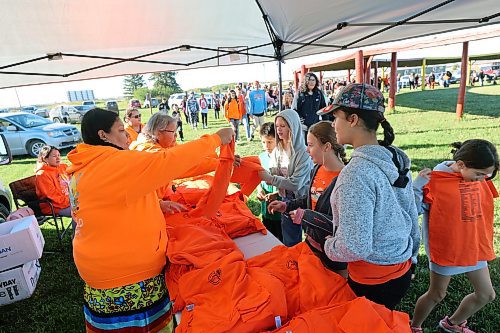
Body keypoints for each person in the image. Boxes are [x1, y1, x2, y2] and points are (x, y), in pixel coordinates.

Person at [66, 108, 234, 332]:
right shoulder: (116, 164)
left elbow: (104, 205)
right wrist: (215, 139)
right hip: (126, 277)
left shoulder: (85, 167)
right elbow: (171, 161)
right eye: (119, 130)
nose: (127, 135)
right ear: (102, 135)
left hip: (99, 271)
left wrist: (156, 203)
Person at [319, 83, 420, 310]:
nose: (333, 125)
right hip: (401, 267)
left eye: (336, 118)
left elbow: (355, 247)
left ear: (353, 119)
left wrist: (330, 245)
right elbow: (410, 213)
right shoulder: (395, 157)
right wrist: (412, 258)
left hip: (372, 280)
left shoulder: (355, 175)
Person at [410, 139, 498, 333]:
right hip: (447, 246)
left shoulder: (474, 177)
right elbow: (411, 210)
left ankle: (452, 323)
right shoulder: (435, 180)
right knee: (437, 294)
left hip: (473, 245)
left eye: (487, 175)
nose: (482, 180)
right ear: (460, 165)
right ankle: (414, 327)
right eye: (479, 174)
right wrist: (416, 187)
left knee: (486, 294)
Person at [268, 121, 348, 277]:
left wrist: (307, 216)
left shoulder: (345, 180)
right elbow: (311, 198)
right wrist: (286, 205)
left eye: (311, 145)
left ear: (327, 147)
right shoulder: (317, 169)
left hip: (334, 256)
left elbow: (343, 225)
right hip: (313, 244)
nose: (307, 149)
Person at [258, 109, 313, 247]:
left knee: (311, 239)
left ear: (293, 126)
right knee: (290, 240)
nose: (279, 130)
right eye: (277, 126)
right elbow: (275, 174)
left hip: (305, 201)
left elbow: (295, 183)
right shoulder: (277, 150)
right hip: (286, 199)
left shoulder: (303, 153)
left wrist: (270, 179)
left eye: (283, 126)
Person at [35, 145, 75, 234]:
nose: (58, 158)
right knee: (80, 210)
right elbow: (53, 196)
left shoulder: (63, 167)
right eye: (54, 156)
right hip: (53, 206)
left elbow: (74, 181)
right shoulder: (42, 175)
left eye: (59, 155)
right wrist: (72, 201)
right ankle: (77, 238)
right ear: (45, 159)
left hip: (70, 201)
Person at [256, 122, 282, 242]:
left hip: (281, 207)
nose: (266, 145)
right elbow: (258, 179)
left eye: (270, 142)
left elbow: (289, 182)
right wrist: (259, 190)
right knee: (268, 236)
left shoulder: (284, 158)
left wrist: (276, 193)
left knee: (281, 238)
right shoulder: (261, 157)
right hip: (265, 207)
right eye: (263, 142)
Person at [292, 72, 327, 141]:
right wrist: (299, 121)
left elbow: (324, 109)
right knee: (304, 148)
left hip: (315, 126)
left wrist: (325, 123)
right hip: (303, 128)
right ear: (306, 81)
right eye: (310, 80)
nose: (312, 82)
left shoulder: (318, 93)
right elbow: (294, 109)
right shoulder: (300, 93)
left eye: (313, 80)